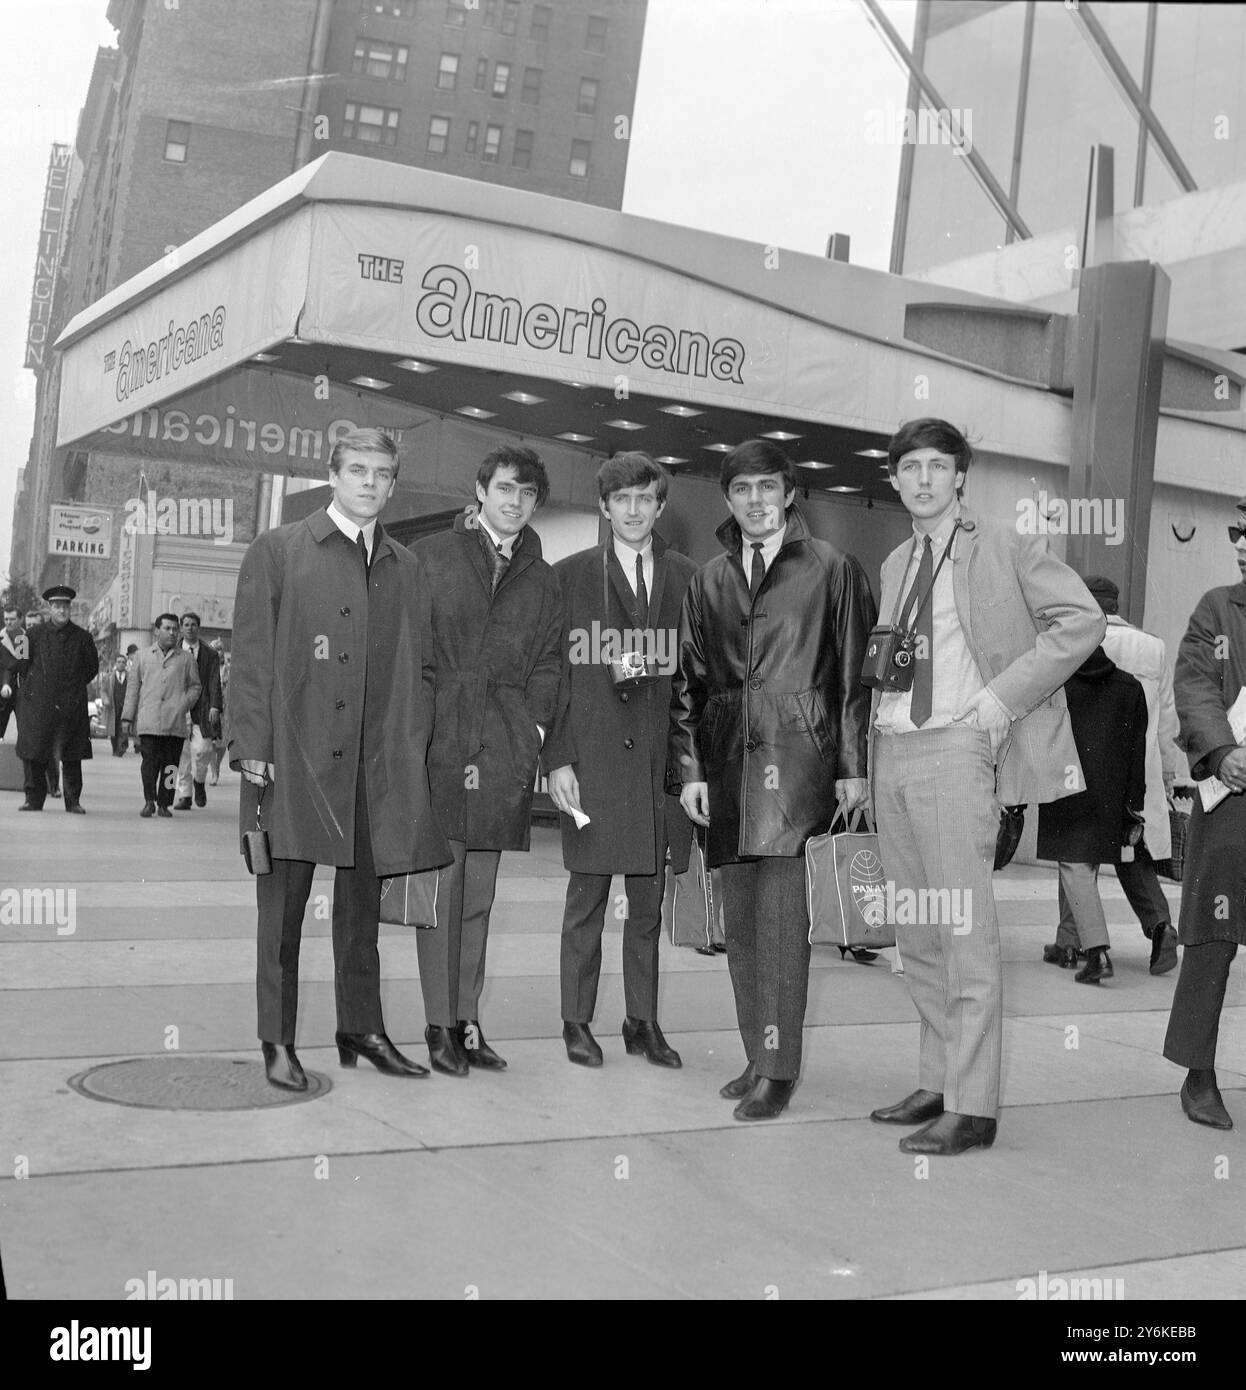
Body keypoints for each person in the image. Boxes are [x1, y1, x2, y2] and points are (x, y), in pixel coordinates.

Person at [868, 419, 1104, 1155]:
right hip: (893, 749)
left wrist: (1000, 701)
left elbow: (1081, 620)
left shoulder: (1004, 545)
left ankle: (972, 1107)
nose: (925, 479)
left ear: (961, 477)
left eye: (940, 466)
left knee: (964, 933)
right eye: (911, 467)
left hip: (957, 749)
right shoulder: (896, 562)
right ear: (895, 479)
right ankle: (939, 1078)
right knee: (918, 930)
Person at [228, 427, 450, 1092]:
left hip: (372, 767)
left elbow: (425, 667)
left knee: (361, 913)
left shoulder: (408, 567)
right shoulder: (279, 550)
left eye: (382, 473)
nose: (370, 483)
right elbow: (252, 659)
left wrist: (413, 748)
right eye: (357, 470)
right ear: (333, 474)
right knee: (283, 913)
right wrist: (254, 751)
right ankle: (277, 1040)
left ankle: (362, 1029)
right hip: (291, 762)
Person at [669, 439, 876, 1121]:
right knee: (743, 932)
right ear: (726, 500)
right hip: (729, 769)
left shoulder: (833, 570)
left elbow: (853, 679)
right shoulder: (708, 580)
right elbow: (688, 685)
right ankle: (758, 1056)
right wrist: (692, 770)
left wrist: (853, 767)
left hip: (801, 769)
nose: (755, 501)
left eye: (768, 487)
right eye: (741, 490)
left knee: (784, 931)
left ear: (790, 493)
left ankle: (779, 1070)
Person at [412, 445, 563, 1077]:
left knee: (480, 896)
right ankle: (438, 1024)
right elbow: (411, 651)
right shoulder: (432, 558)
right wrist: (415, 733)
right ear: (480, 490)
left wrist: (531, 726)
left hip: (502, 748)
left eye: (527, 494)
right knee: (442, 893)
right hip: (441, 742)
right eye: (505, 488)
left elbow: (552, 664)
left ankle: (467, 1021)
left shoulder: (544, 576)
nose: (515, 501)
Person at [544, 453, 696, 1068]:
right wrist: (556, 759)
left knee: (648, 903)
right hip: (593, 763)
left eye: (646, 500)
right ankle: (576, 1021)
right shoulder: (570, 576)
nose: (634, 510)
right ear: (604, 507)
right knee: (586, 899)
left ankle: (642, 1021)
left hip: (658, 766)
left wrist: (691, 770)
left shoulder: (690, 577)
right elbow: (551, 675)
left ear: (660, 507)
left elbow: (697, 679)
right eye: (622, 500)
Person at [1162, 499, 1246, 1130]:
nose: (1242, 544)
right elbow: (1194, 684)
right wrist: (1222, 752)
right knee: (1212, 937)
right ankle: (1198, 1073)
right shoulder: (1219, 609)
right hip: (1232, 801)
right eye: (1240, 533)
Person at [1084, 575, 1184, 975]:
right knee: (1133, 852)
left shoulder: (1086, 641)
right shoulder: (1154, 646)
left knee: (1078, 852)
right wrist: (1169, 773)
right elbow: (1167, 718)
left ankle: (1074, 939)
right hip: (1141, 766)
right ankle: (1161, 927)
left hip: (1094, 762)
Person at [1036, 646, 1148, 984]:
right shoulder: (1130, 686)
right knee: (1079, 865)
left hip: (1065, 786)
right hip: (1109, 792)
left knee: (1074, 864)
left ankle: (1096, 951)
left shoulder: (1056, 683)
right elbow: (1136, 751)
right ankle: (1067, 943)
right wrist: (1133, 800)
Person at [16, 585, 99, 814]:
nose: (61, 610)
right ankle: (33, 800)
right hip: (40, 708)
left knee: (72, 756)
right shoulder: (30, 636)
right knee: (35, 754)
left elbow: (92, 668)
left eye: (65, 606)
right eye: (57, 605)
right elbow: (20, 666)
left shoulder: (83, 637)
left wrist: (71, 686)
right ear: (49, 607)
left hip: (71, 707)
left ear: (70, 608)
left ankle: (73, 802)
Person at [122, 614, 201, 818]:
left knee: (171, 767)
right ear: (157, 630)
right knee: (149, 764)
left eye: (175, 629)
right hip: (149, 720)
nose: (173, 632)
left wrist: (183, 704)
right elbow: (132, 688)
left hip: (175, 723)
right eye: (168, 628)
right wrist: (127, 717)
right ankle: (149, 800)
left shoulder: (186, 658)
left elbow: (195, 686)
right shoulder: (143, 656)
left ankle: (165, 803)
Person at [172, 612, 222, 809]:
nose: (190, 627)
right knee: (181, 754)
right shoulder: (173, 651)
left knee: (203, 750)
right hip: (178, 709)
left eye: (193, 624)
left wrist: (215, 706)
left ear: (198, 628)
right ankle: (184, 795)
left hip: (203, 709)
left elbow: (214, 681)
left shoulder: (210, 654)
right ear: (181, 628)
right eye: (186, 624)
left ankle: (199, 782)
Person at [0, 607, 29, 740]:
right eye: (6, 619)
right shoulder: (0, 638)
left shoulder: (27, 639)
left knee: (25, 729)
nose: (8, 622)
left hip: (22, 691)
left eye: (12, 619)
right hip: (2, 690)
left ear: (20, 620)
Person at [207, 640, 228, 785]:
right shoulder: (205, 669)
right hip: (210, 708)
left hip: (226, 710)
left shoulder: (229, 669)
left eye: (220, 649)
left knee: (222, 744)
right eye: (215, 649)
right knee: (210, 743)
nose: (218, 652)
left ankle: (217, 765)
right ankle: (214, 772)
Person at [105, 652, 131, 756]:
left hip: (125, 707)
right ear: (116, 663)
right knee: (114, 729)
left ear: (125, 664)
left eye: (123, 662)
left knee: (124, 728)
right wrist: (105, 699)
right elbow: (103, 690)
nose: (121, 664)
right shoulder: (109, 677)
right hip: (113, 707)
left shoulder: (130, 677)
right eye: (119, 662)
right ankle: (115, 748)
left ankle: (122, 747)